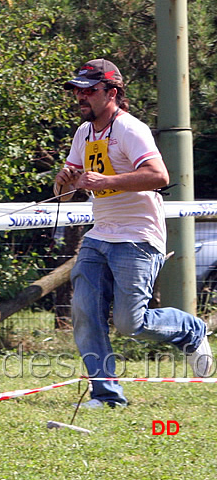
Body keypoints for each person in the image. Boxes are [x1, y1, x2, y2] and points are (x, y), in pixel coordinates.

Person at [54, 58, 213, 408]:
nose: (81, 97)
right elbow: (67, 190)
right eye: (78, 90)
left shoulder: (130, 129)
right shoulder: (84, 133)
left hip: (138, 236)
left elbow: (159, 176)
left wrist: (107, 181)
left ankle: (191, 330)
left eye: (89, 90)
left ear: (112, 92)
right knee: (84, 313)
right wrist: (64, 180)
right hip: (100, 235)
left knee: (131, 323)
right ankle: (107, 396)